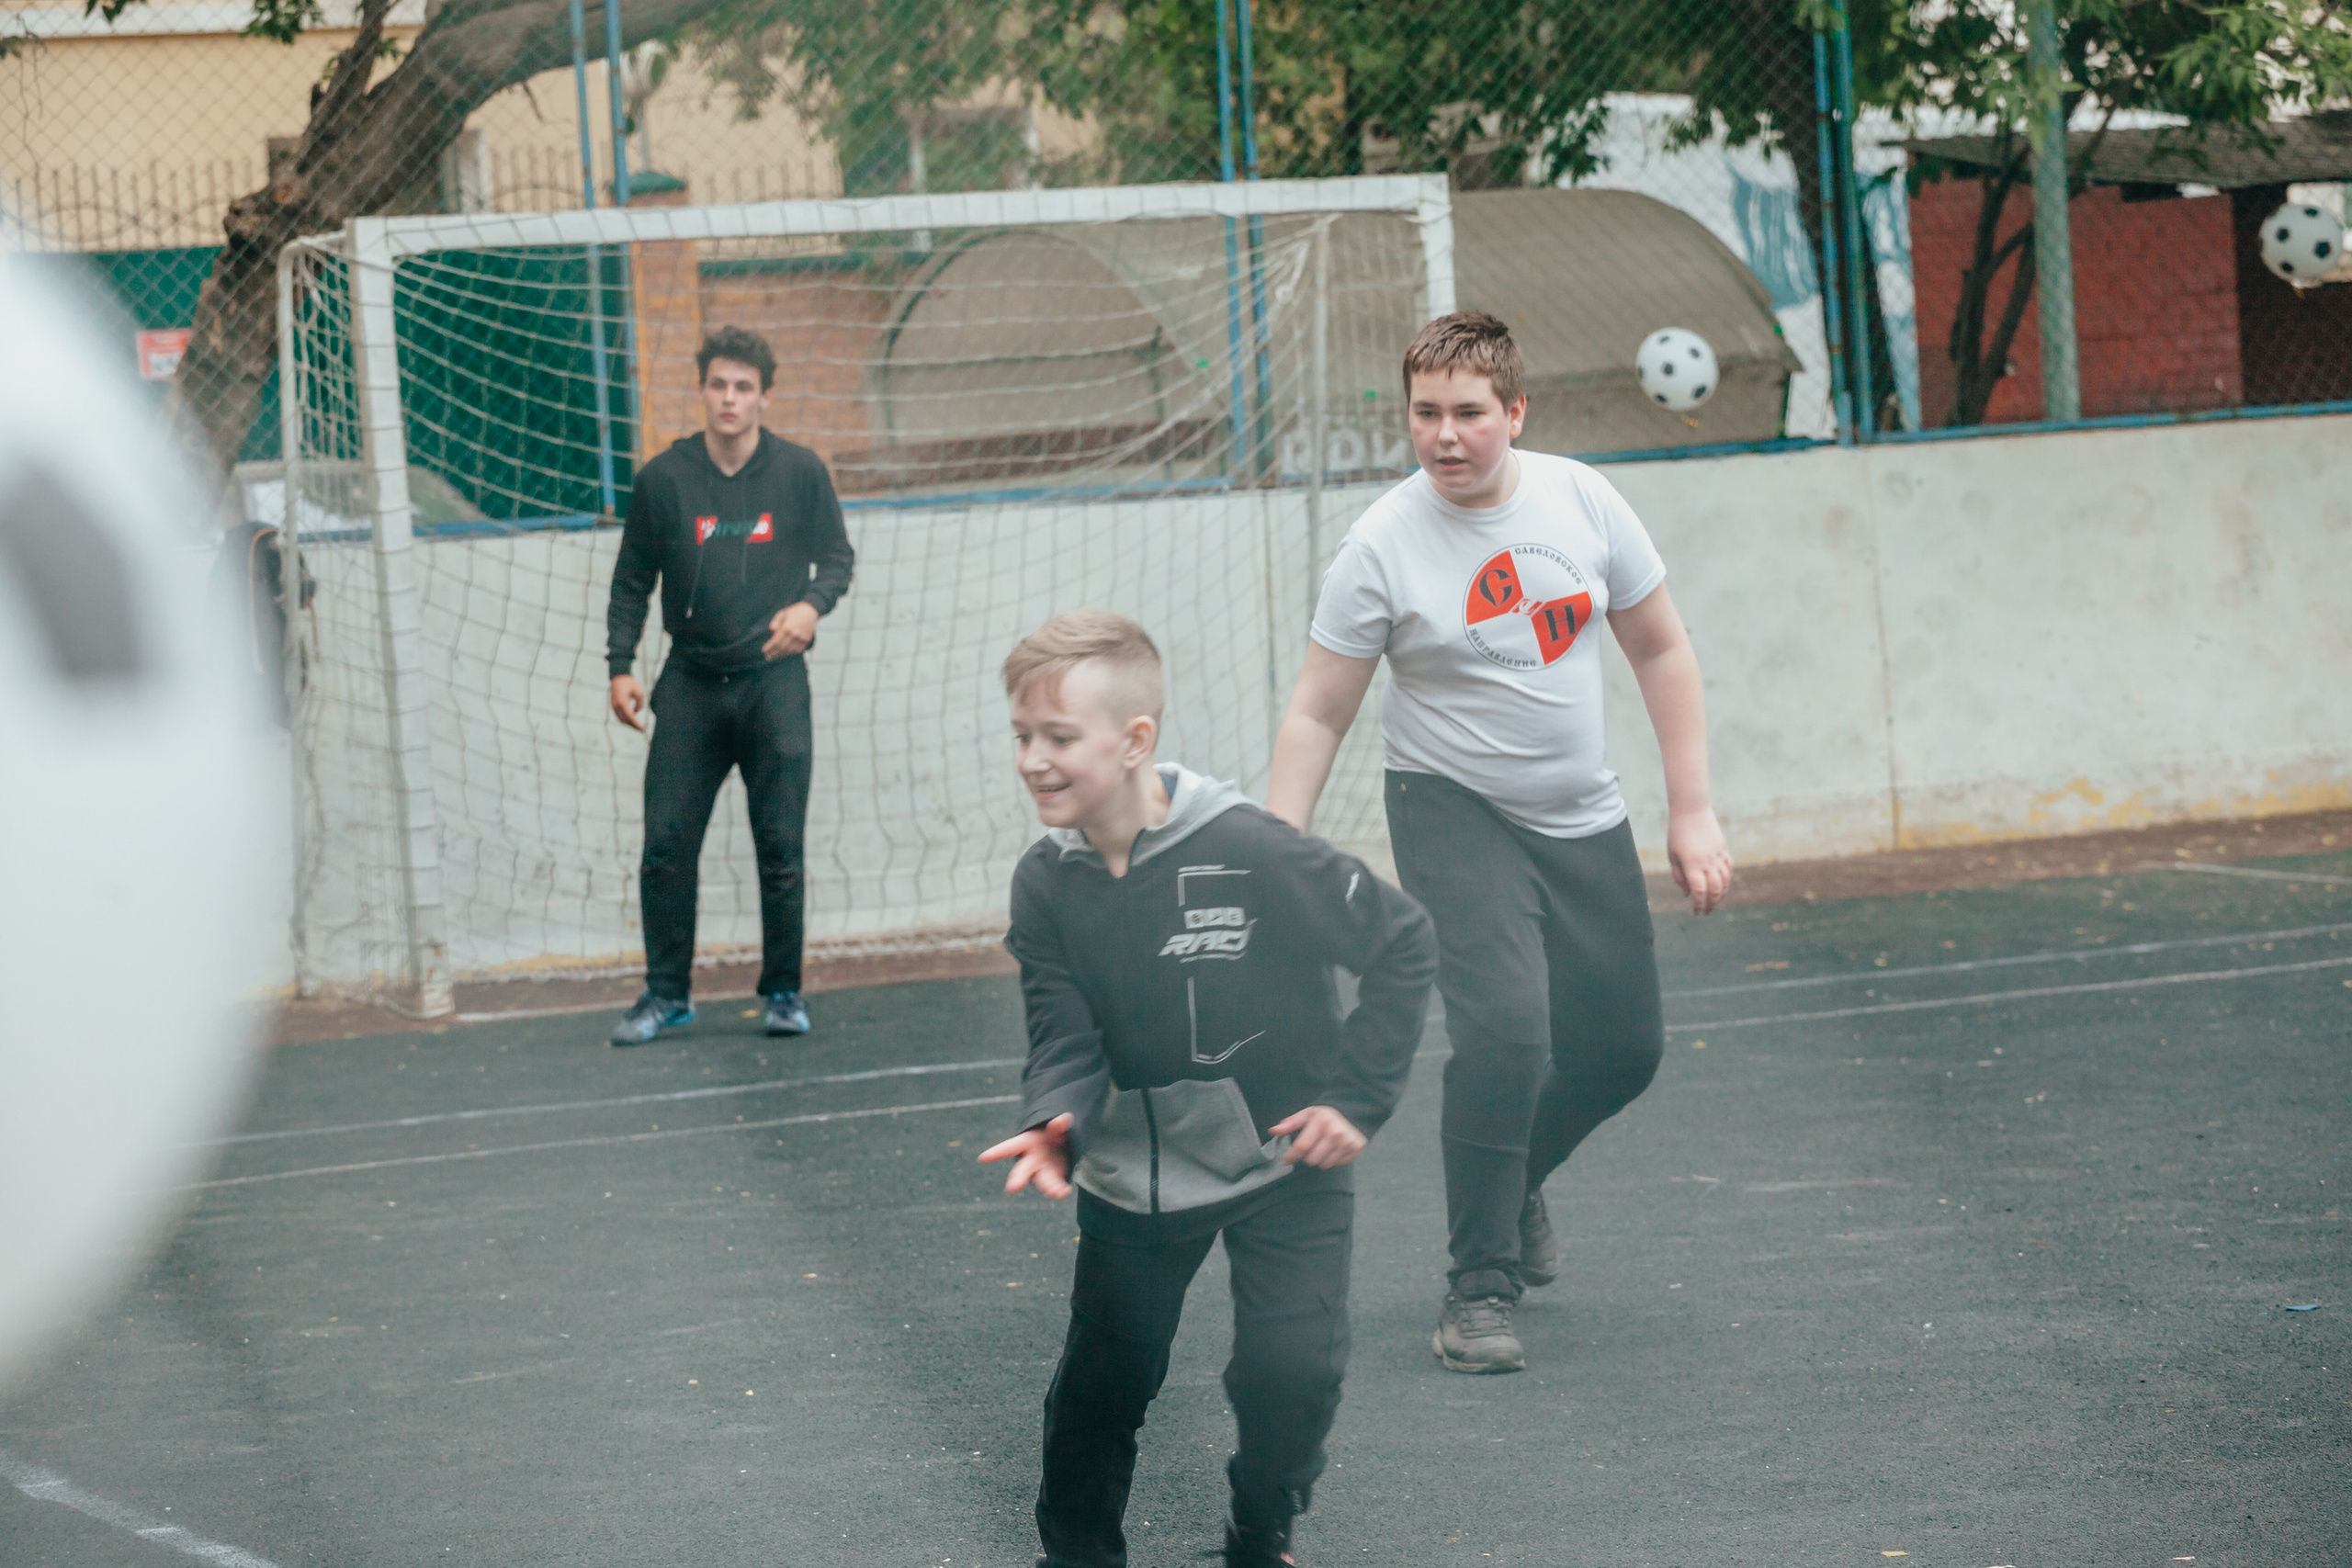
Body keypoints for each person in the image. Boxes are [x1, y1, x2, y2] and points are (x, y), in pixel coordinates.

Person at [1265, 311, 1734, 1376]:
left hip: (1579, 813)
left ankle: (1511, 1180)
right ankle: (1477, 1288)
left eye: (1468, 414)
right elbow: (1318, 711)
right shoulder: (1382, 543)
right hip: (1449, 806)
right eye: (1425, 414)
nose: (1444, 436)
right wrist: (1277, 849)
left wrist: (1690, 808)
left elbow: (1659, 648)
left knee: (1622, 1051)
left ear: (1514, 413)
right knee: (1508, 1029)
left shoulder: (1582, 501)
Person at [979, 610, 1436, 1568]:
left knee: (1291, 1371)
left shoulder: (1252, 849)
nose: (1032, 759)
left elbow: (1401, 942)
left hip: (1284, 1150)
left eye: (1058, 737)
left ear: (1135, 739)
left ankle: (1260, 1528)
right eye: (1022, 736)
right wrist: (1054, 1122)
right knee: (1102, 1390)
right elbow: (1063, 1030)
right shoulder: (1045, 885)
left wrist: (1356, 1100)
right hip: (1135, 1175)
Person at [603, 326, 855, 1046]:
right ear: (703, 388)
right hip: (691, 684)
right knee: (666, 844)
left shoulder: (800, 472)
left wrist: (811, 607)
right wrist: (621, 665)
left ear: (764, 397)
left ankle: (783, 990)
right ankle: (666, 994)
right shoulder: (664, 479)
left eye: (744, 387)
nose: (730, 398)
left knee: (779, 843)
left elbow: (837, 559)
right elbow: (631, 582)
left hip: (774, 684)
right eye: (719, 384)